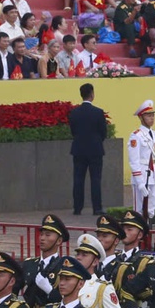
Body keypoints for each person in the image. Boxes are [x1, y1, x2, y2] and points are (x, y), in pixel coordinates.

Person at [69, 82, 110, 217]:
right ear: (92, 94)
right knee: (95, 179)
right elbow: (103, 132)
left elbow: (73, 131)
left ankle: (77, 208)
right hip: (95, 150)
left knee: (78, 179)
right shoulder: (98, 112)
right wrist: (96, 141)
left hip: (79, 149)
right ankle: (97, 208)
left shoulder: (74, 113)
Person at [125, 100, 155, 221]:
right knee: (139, 210)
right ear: (141, 118)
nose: (151, 118)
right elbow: (134, 160)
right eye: (148, 115)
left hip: (154, 175)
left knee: (151, 210)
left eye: (153, 115)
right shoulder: (136, 135)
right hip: (142, 175)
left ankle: (149, 229)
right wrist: (140, 182)